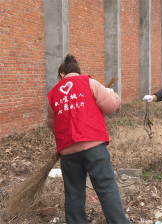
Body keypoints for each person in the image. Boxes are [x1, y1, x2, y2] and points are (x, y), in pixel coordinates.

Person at [47, 54, 129, 223]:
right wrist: (113, 95)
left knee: (73, 194)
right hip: (93, 146)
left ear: (61, 73)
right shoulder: (89, 82)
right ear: (77, 71)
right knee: (106, 189)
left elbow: (52, 124)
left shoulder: (53, 94)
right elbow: (110, 106)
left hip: (68, 151)